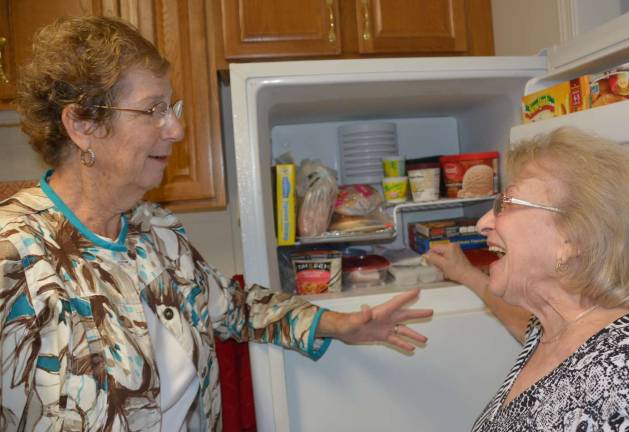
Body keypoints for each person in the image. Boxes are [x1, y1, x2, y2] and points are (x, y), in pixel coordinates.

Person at [0, 16, 432, 431]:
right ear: (82, 124)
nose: (177, 129)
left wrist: (339, 325)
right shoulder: (14, 256)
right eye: (153, 109)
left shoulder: (158, 233)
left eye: (171, 108)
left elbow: (235, 308)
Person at [425, 127, 629, 431]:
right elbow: (521, 324)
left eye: (506, 203)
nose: (483, 223)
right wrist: (466, 274)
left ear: (574, 236)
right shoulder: (553, 328)